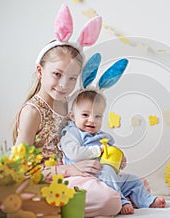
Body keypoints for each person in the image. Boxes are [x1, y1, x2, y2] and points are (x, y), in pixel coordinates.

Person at [13, 5, 121, 217]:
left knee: (126, 183)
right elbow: (19, 170)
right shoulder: (33, 112)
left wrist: (107, 157)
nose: (64, 85)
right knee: (109, 199)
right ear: (40, 71)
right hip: (44, 182)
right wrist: (68, 170)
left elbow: (83, 139)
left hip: (72, 176)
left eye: (72, 78)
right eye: (57, 74)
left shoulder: (69, 105)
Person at [59, 90, 166, 215]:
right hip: (85, 176)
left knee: (133, 180)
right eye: (85, 115)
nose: (92, 120)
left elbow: (110, 153)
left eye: (97, 116)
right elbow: (74, 153)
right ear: (72, 116)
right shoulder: (72, 134)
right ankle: (122, 200)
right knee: (107, 171)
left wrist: (119, 158)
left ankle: (147, 201)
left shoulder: (101, 136)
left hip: (106, 177)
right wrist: (97, 150)